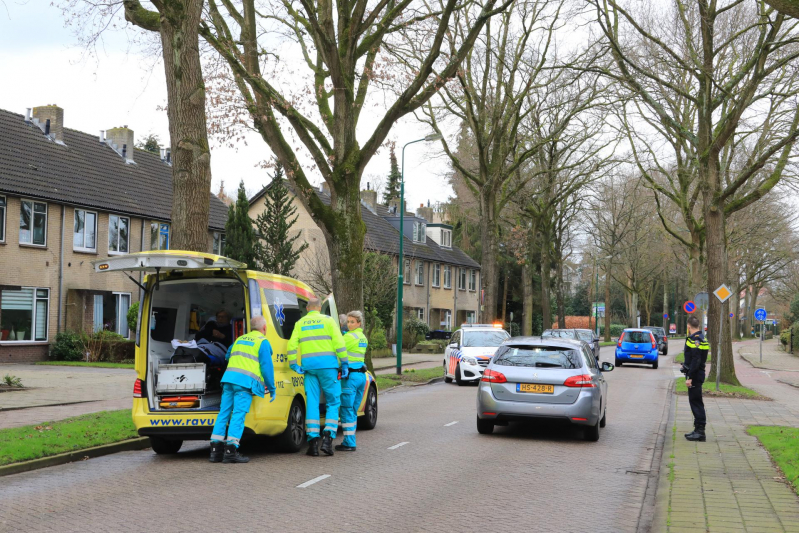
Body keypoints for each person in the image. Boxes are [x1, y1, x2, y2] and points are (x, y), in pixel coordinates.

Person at [209, 315, 275, 464]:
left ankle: (215, 451)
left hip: (228, 379)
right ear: (264, 328)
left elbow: (227, 356)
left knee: (224, 413)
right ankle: (231, 450)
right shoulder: (262, 342)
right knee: (238, 415)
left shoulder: (239, 339)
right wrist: (271, 388)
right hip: (244, 383)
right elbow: (267, 368)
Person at [288, 297, 347, 456]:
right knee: (333, 402)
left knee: (312, 403)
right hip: (328, 367)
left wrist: (294, 364)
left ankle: (313, 442)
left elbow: (292, 345)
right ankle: (328, 439)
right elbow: (339, 343)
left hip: (309, 368)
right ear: (320, 308)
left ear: (307, 309)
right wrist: (345, 363)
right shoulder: (328, 321)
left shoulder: (300, 323)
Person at [336, 311, 368, 452]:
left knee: (346, 410)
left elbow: (337, 350)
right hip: (362, 377)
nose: (349, 324)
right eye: (348, 322)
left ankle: (349, 442)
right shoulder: (363, 338)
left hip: (351, 377)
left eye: (352, 322)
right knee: (353, 410)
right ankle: (350, 439)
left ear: (359, 323)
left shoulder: (349, 337)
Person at [684, 315, 710, 442]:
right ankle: (697, 429)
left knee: (696, 402)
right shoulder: (700, 338)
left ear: (689, 326)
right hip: (697, 373)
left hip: (695, 375)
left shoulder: (696, 339)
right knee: (695, 401)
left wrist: (690, 377)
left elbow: (696, 360)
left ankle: (700, 432)